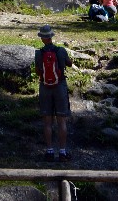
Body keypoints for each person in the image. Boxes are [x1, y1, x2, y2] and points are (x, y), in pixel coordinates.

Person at [34, 25, 73, 162]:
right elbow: (69, 63)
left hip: (45, 87)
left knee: (47, 122)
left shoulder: (39, 53)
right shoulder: (61, 50)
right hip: (60, 86)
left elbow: (38, 72)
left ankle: (49, 151)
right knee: (61, 121)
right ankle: (62, 152)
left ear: (42, 38)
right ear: (51, 37)